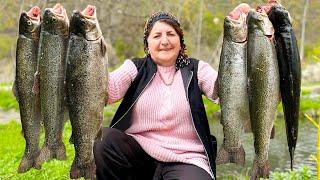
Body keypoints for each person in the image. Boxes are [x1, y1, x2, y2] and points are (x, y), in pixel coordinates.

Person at [93, 11, 219, 180]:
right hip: (140, 155)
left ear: (180, 42)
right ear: (147, 44)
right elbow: (106, 90)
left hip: (187, 159)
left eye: (171, 34)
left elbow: (224, 92)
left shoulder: (197, 69)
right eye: (157, 36)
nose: (165, 41)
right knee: (104, 141)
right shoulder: (136, 68)